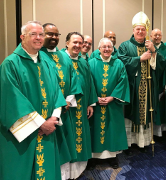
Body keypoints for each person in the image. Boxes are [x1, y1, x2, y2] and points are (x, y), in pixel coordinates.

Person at [0, 21, 67, 180]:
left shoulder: (46, 62)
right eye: (33, 34)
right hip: (24, 135)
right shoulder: (10, 64)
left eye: (41, 34)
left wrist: (54, 118)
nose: (39, 38)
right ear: (22, 37)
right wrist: (41, 123)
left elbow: (57, 92)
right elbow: (12, 101)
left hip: (47, 130)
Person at [118, 12, 166, 154]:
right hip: (133, 86)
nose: (140, 31)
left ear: (146, 32)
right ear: (133, 30)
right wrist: (139, 59)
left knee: (147, 112)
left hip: (149, 87)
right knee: (131, 112)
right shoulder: (125, 46)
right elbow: (121, 62)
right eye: (138, 29)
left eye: (143, 29)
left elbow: (162, 65)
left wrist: (154, 52)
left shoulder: (150, 46)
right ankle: (130, 142)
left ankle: (143, 141)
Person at [40, 23, 83, 179]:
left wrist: (68, 100)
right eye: (49, 34)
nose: (53, 37)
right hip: (45, 111)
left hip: (64, 109)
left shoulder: (64, 57)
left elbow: (73, 80)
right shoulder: (38, 55)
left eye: (56, 34)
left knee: (64, 143)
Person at [61, 32, 98, 179]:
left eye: (80, 43)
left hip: (81, 107)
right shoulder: (60, 60)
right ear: (67, 43)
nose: (77, 46)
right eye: (74, 42)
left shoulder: (83, 62)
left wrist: (90, 103)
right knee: (67, 136)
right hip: (65, 108)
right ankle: (65, 171)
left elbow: (89, 83)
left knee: (79, 136)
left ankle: (77, 170)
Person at [88, 38, 130, 169]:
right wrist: (95, 98)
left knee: (113, 129)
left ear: (113, 49)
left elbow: (123, 82)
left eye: (109, 47)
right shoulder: (91, 63)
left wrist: (112, 97)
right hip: (96, 104)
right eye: (104, 47)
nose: (106, 49)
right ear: (99, 49)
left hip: (113, 104)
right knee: (95, 129)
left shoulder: (118, 64)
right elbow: (88, 82)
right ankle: (94, 157)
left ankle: (112, 156)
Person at [150, 28, 166, 139]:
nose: (157, 37)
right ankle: (152, 132)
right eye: (155, 35)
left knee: (161, 106)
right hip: (151, 81)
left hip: (162, 80)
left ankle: (162, 132)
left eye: (159, 35)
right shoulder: (146, 47)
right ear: (151, 36)